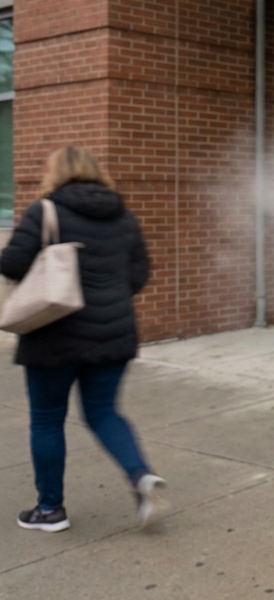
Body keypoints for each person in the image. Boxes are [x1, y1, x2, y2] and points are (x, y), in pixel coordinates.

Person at [3, 146, 161, 532]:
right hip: (114, 335)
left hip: (54, 336)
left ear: (54, 172)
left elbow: (11, 265)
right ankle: (141, 478)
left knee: (46, 421)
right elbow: (139, 274)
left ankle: (50, 510)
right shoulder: (123, 216)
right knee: (105, 412)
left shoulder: (45, 211)